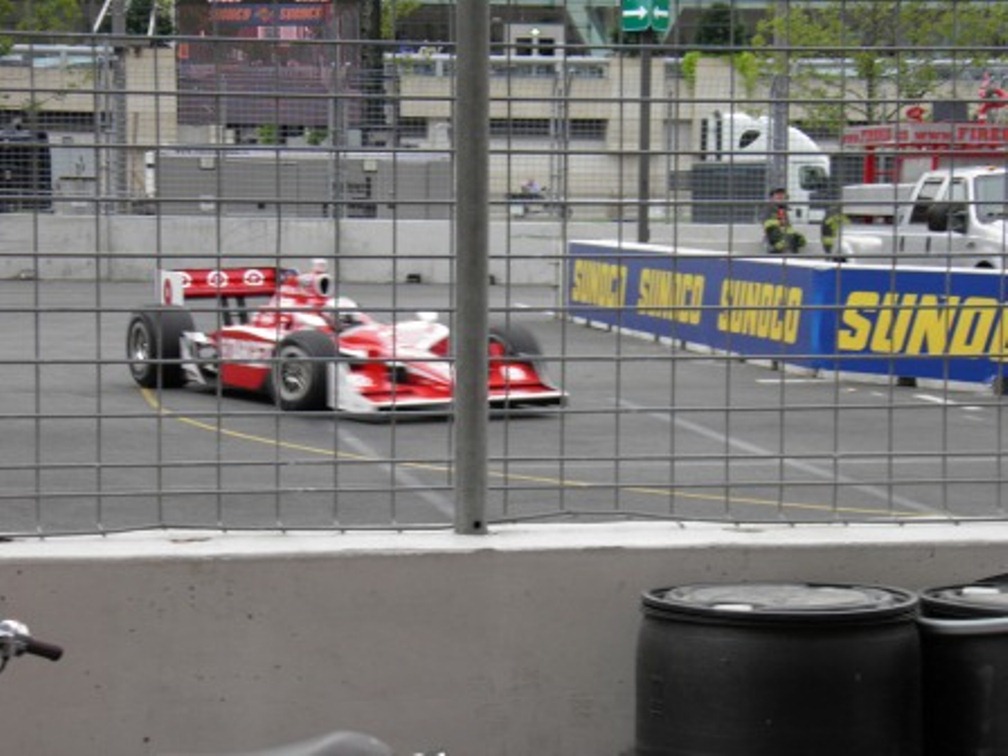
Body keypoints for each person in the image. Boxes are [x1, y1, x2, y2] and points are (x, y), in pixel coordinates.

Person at [763, 187, 806, 254]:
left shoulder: (784, 209)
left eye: (782, 194)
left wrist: (794, 235)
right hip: (774, 238)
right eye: (777, 194)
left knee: (797, 239)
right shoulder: (769, 208)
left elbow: (788, 226)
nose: (780, 196)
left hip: (784, 236)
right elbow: (768, 225)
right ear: (772, 197)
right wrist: (781, 223)